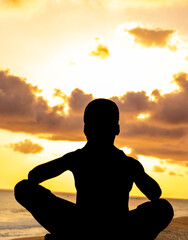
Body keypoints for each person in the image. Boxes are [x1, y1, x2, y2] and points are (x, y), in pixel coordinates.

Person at [14, 99, 174, 240]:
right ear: (117, 129)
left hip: (80, 227)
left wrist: (66, 161)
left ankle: (66, 235)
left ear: (85, 130)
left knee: (23, 188)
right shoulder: (128, 164)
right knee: (163, 208)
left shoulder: (77, 158)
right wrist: (136, 172)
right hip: (119, 228)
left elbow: (33, 177)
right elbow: (155, 194)